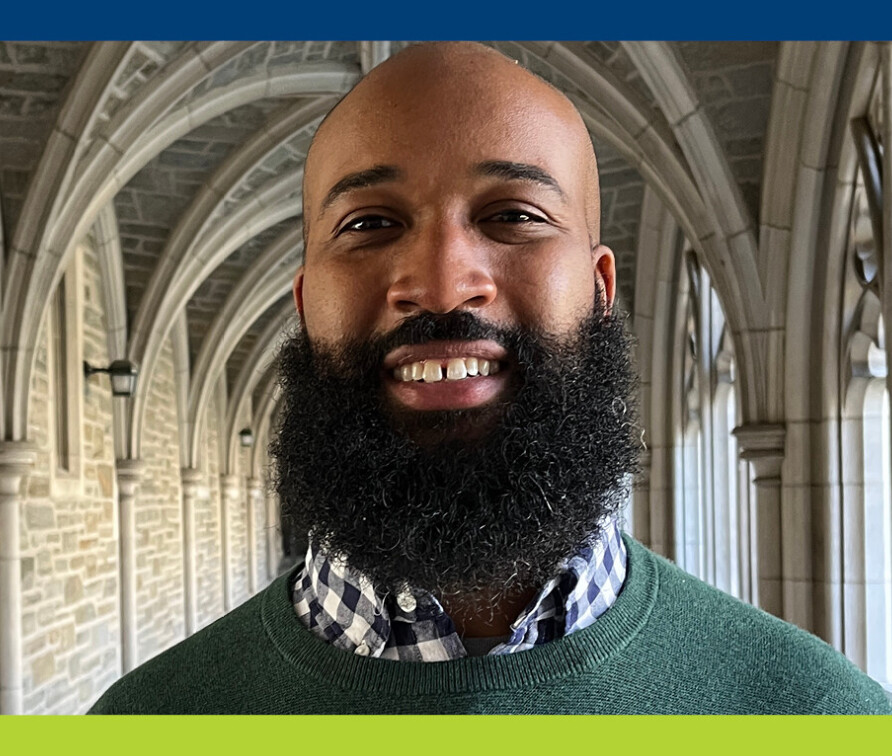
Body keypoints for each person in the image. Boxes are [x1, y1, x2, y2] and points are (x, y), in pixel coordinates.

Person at [89, 41, 892, 715]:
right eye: (369, 224)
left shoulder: (818, 713)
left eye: (513, 215)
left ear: (601, 291)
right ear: (305, 306)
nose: (441, 283)